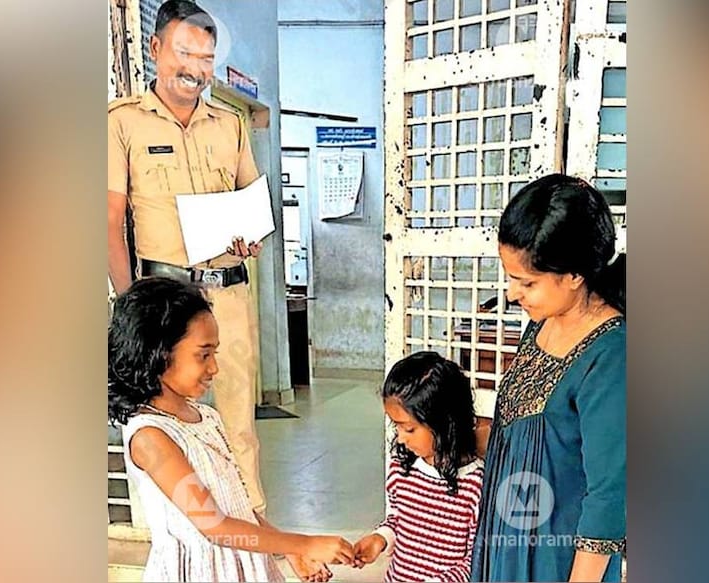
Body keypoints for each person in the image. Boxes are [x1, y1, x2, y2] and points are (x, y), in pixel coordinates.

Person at [107, 0, 267, 514]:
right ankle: (183, 534)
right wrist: (132, 304)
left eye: (206, 57)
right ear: (155, 50)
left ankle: (253, 532)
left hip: (228, 293)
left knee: (239, 423)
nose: (195, 68)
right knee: (166, 419)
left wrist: (252, 236)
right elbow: (108, 221)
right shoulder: (122, 123)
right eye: (184, 53)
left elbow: (253, 204)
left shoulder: (231, 124)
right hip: (164, 300)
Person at [109, 278, 353, 582]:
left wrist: (289, 551)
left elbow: (237, 510)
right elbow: (214, 526)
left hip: (241, 565)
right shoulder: (151, 437)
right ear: (158, 352)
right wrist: (304, 542)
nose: (214, 368)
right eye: (203, 354)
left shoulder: (206, 416)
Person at [469, 175, 626, 582]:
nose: (511, 294)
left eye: (527, 282)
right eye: (510, 277)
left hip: (557, 559)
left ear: (574, 274)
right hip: (507, 536)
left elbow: (610, 496)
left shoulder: (612, 354)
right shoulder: (540, 325)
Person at [353, 352, 484, 582]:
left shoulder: (475, 487)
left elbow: (475, 562)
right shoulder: (402, 469)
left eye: (409, 429)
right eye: (397, 427)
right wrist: (380, 538)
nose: (401, 439)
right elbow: (398, 518)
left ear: (445, 423)